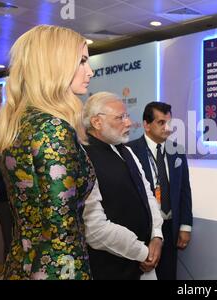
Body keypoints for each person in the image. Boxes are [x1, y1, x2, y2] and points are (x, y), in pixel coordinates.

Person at [0, 25, 96, 280]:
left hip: (21, 263)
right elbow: (62, 233)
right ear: (55, 65)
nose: (90, 71)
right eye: (82, 61)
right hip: (56, 271)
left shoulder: (18, 123)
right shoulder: (53, 128)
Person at [82, 92, 164, 280]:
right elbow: (95, 229)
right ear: (96, 122)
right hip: (111, 269)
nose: (128, 123)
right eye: (120, 118)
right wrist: (143, 253)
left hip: (144, 263)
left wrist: (157, 236)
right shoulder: (83, 158)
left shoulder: (126, 150)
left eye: (126, 116)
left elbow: (148, 196)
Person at [128, 101, 193, 280]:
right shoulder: (129, 151)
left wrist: (185, 226)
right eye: (161, 123)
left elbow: (184, 191)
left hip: (171, 227)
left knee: (168, 274)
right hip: (143, 229)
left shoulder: (177, 151)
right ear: (146, 125)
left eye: (169, 122)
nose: (168, 128)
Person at [0, 153, 12, 261]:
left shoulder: (4, 151)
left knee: (8, 238)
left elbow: (8, 174)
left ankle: (7, 269)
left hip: (4, 200)